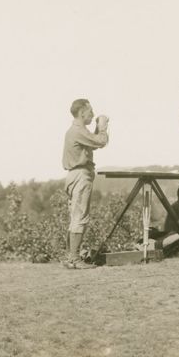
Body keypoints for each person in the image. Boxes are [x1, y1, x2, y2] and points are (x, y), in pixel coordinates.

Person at [61, 98, 109, 269]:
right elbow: (101, 141)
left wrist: (96, 129)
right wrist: (102, 126)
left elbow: (93, 143)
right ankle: (74, 259)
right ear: (82, 112)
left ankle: (71, 257)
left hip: (74, 175)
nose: (93, 114)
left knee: (75, 217)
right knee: (80, 217)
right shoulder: (78, 131)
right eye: (90, 111)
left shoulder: (76, 131)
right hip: (81, 175)